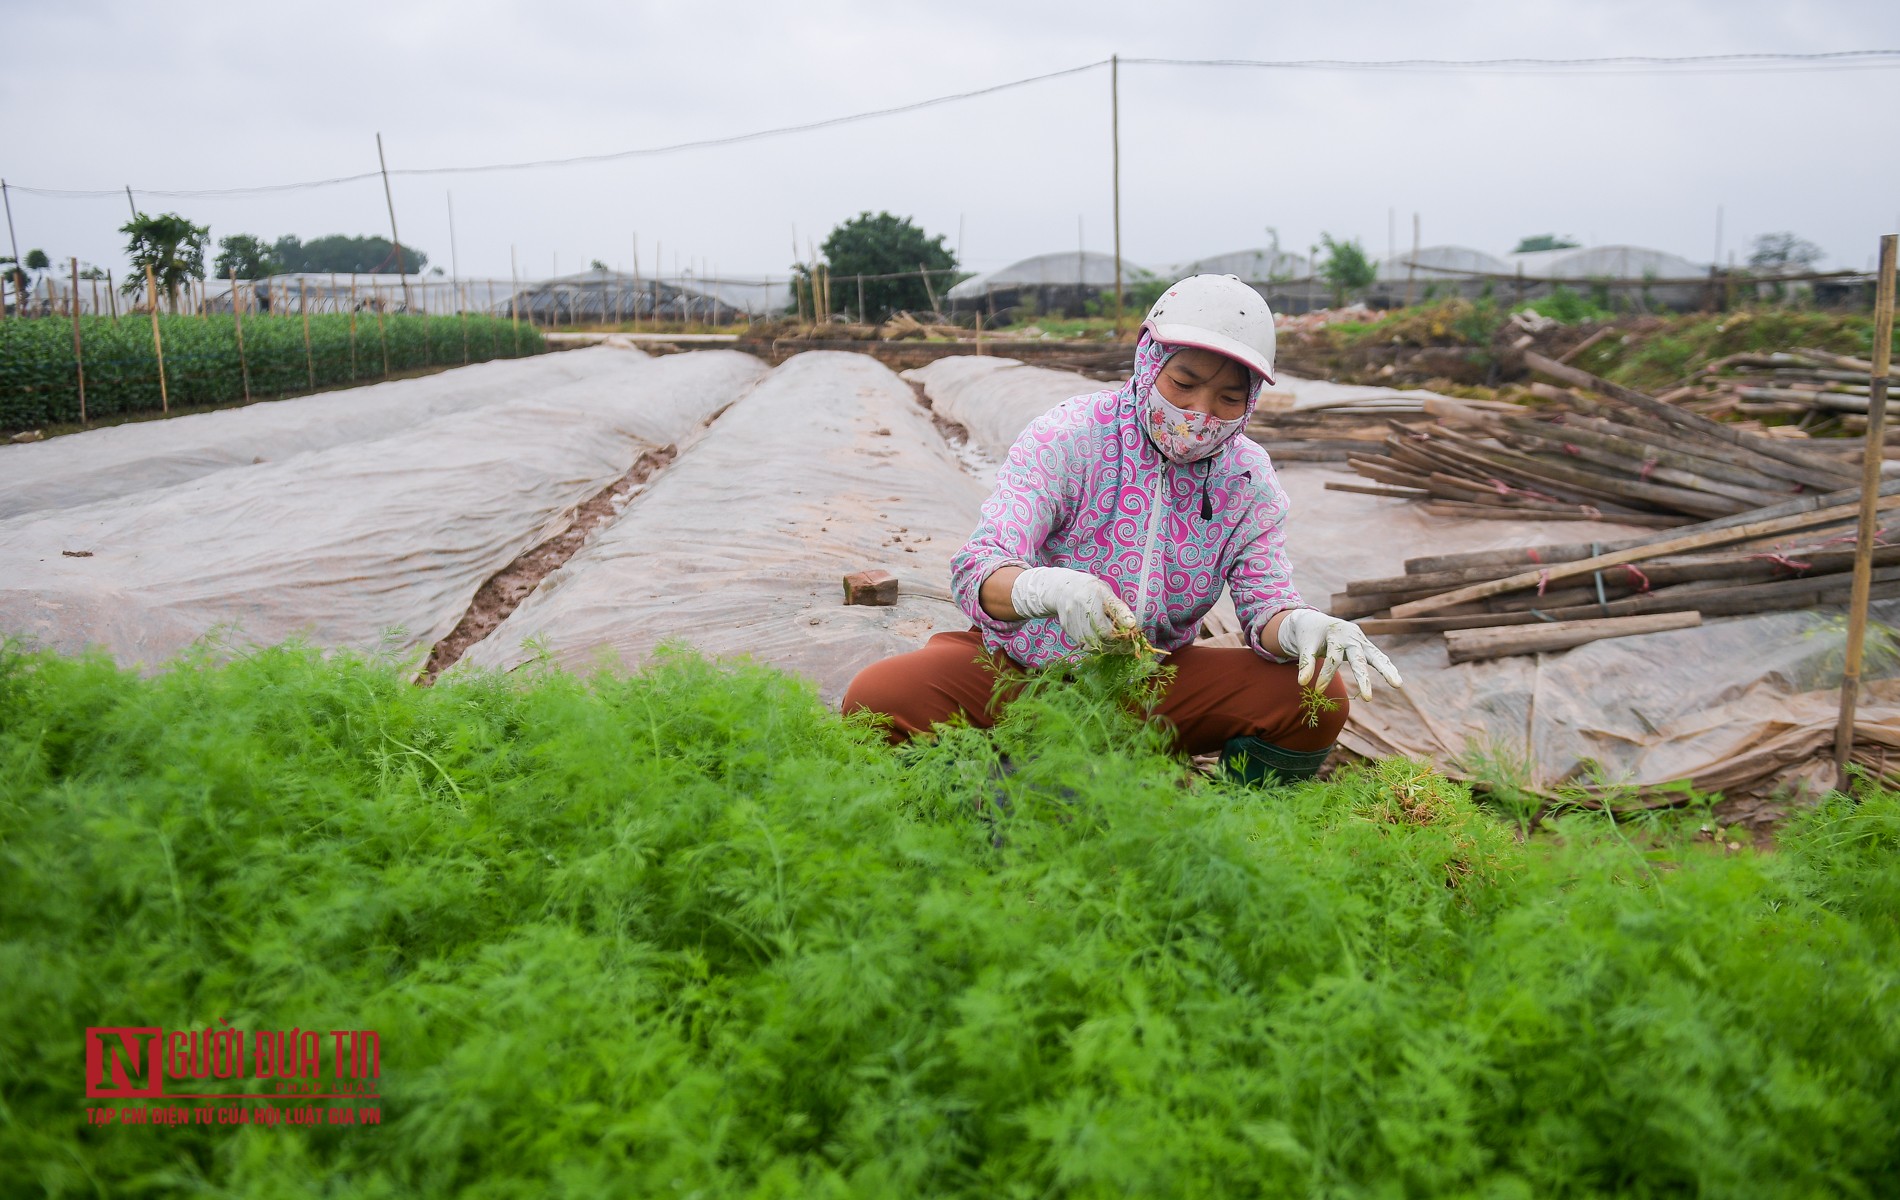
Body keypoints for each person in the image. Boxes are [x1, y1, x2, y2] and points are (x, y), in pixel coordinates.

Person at [842, 274, 1402, 785]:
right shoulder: (1072, 436)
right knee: (879, 696)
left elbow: (1265, 609)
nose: (1199, 411)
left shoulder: (1247, 480)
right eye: (1183, 382)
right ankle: (963, 796)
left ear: (1251, 399)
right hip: (1018, 675)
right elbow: (980, 568)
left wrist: (1301, 625)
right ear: (1149, 359)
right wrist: (1048, 590)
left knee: (1315, 695)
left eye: (1228, 397)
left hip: (1147, 685)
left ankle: (1238, 835)